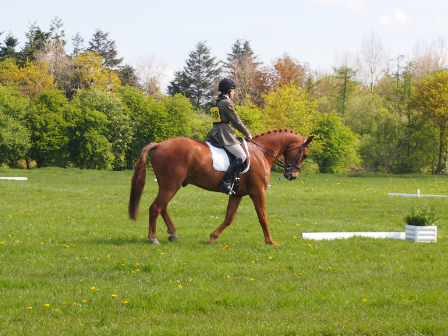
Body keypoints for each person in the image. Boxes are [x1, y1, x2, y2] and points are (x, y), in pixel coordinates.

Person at [208, 78, 252, 194]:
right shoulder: (227, 103)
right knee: (241, 155)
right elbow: (236, 122)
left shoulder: (217, 102)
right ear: (228, 90)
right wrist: (248, 134)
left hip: (215, 132)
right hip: (224, 134)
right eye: (233, 90)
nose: (234, 93)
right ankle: (226, 181)